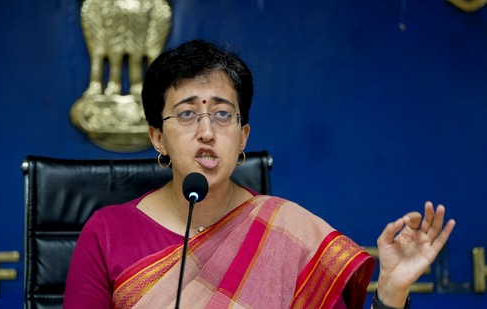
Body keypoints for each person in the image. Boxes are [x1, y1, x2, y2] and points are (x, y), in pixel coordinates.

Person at [64, 39, 456, 309]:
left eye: (222, 114)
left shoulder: (289, 233)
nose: (207, 131)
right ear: (157, 137)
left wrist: (390, 292)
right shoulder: (107, 234)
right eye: (186, 114)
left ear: (242, 137)